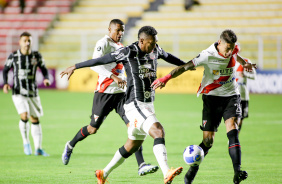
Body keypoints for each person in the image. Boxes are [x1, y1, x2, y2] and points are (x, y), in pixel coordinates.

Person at [61, 26, 185, 184]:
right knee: (158, 131)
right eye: (151, 42)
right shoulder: (128, 52)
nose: (154, 45)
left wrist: (187, 65)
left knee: (132, 145)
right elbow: (101, 60)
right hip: (135, 104)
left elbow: (170, 57)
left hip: (147, 104)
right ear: (141, 41)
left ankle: (103, 173)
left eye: (156, 42)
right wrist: (76, 66)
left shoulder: (156, 50)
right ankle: (166, 171)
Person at [151, 29, 256, 184]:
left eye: (231, 49)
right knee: (208, 142)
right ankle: (191, 172)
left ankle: (237, 172)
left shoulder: (232, 50)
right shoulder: (207, 54)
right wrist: (166, 78)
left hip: (231, 96)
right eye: (227, 49)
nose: (229, 53)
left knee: (232, 130)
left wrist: (244, 63)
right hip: (211, 99)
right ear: (219, 43)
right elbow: (185, 67)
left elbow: (236, 55)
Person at [3, 31, 50, 156]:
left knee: (35, 118)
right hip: (18, 92)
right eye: (24, 40)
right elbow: (6, 69)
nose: (27, 43)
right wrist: (6, 83)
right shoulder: (14, 56)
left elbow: (44, 69)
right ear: (20, 42)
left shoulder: (36, 56)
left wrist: (46, 78)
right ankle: (26, 143)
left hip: (33, 92)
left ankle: (38, 149)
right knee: (24, 115)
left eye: (29, 40)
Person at [234, 51, 256, 132]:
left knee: (241, 118)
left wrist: (246, 75)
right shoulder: (228, 62)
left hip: (243, 94)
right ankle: (233, 137)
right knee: (234, 117)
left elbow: (254, 76)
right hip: (233, 93)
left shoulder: (246, 61)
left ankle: (235, 136)